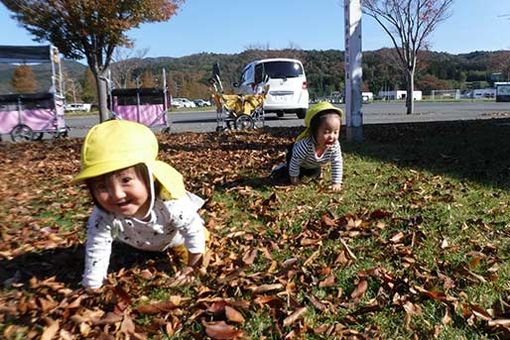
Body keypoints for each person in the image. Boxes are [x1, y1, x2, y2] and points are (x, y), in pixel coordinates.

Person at [72, 120, 208, 289]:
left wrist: (192, 267)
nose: (117, 194)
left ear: (149, 178)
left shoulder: (170, 204)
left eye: (126, 180)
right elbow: (97, 244)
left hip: (176, 238)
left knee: (196, 240)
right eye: (102, 186)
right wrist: (93, 286)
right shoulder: (104, 214)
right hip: (139, 242)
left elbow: (192, 231)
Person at [271, 101, 343, 191]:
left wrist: (336, 182)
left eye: (335, 132)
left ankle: (311, 171)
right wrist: (294, 179)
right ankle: (281, 168)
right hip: (296, 159)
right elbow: (295, 162)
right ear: (314, 131)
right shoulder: (305, 145)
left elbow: (337, 162)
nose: (332, 137)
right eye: (326, 132)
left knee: (313, 175)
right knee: (287, 177)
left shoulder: (334, 146)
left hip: (312, 163)